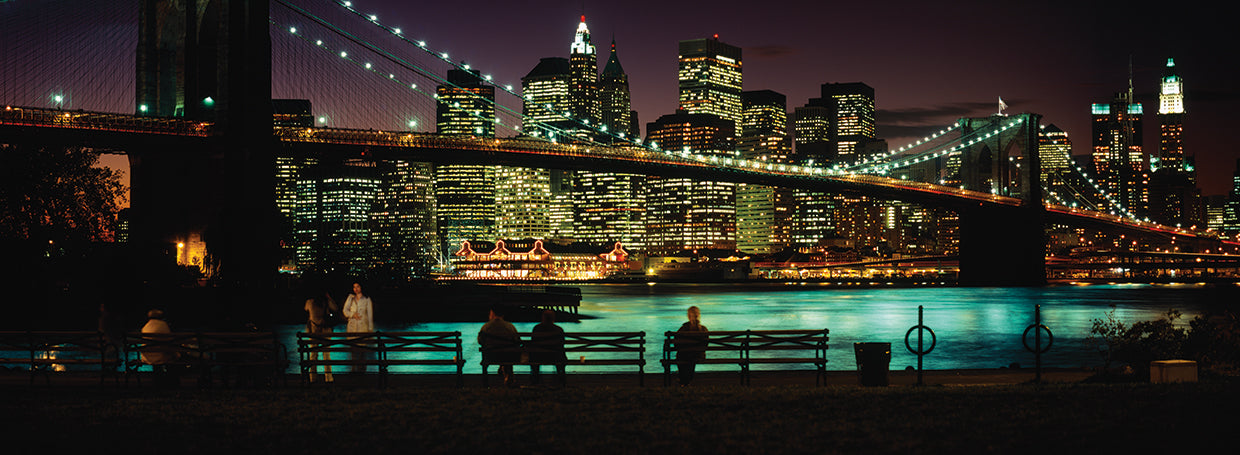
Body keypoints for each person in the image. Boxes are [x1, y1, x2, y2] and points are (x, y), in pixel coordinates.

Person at [478, 305, 520, 387]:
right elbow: (517, 340)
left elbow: (480, 341)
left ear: (492, 313)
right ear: (502, 315)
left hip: (490, 357)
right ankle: (509, 379)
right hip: (508, 357)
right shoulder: (510, 326)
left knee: (501, 353)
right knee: (508, 353)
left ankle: (486, 384)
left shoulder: (486, 327)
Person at [304, 290, 339, 383]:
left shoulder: (309, 302)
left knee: (313, 355)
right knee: (326, 354)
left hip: (313, 332)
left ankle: (313, 377)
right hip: (325, 331)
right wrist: (329, 298)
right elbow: (335, 308)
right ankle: (328, 377)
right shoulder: (326, 302)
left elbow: (305, 309)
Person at [141, 309, 180, 386]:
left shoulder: (146, 327)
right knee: (173, 356)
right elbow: (169, 341)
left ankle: (159, 381)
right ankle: (172, 382)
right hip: (162, 356)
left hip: (148, 356)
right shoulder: (163, 325)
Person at [529, 310, 567, 387]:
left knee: (533, 356)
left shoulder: (537, 328)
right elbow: (562, 343)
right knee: (561, 357)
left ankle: (535, 380)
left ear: (543, 318)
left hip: (539, 357)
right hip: (556, 357)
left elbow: (533, 343)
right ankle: (561, 380)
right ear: (553, 318)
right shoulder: (559, 329)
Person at [342, 282, 374, 373]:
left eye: (358, 287)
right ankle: (353, 369)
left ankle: (362, 370)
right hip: (352, 327)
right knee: (353, 350)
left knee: (362, 350)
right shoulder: (350, 298)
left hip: (363, 327)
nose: (356, 289)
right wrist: (352, 315)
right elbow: (345, 310)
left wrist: (370, 329)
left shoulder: (367, 299)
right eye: (354, 287)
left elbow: (370, 315)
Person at [674, 305, 708, 386]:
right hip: (698, 356)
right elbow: (705, 345)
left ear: (688, 316)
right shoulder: (703, 329)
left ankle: (684, 381)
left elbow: (676, 343)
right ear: (699, 315)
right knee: (691, 357)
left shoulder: (683, 328)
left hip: (684, 356)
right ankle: (686, 380)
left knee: (682, 356)